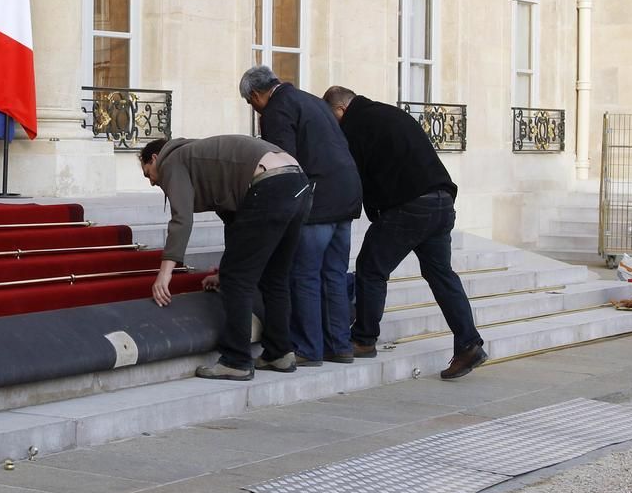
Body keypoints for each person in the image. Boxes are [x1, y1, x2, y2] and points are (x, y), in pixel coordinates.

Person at [322, 86, 486, 380]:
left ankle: (363, 339)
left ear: (340, 110)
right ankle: (469, 343)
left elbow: (353, 177)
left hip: (409, 206)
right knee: (441, 275)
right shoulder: (388, 112)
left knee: (371, 268)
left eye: (331, 118)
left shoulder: (356, 126)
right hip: (441, 201)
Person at [140, 135, 312, 381]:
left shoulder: (172, 161)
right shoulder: (202, 158)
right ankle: (279, 353)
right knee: (275, 276)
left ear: (155, 158)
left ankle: (236, 360)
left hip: (269, 187)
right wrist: (223, 271)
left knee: (237, 280)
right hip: (297, 183)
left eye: (149, 174)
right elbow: (235, 222)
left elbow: (181, 220)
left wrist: (164, 274)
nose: (152, 183)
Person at [240, 66, 362, 366]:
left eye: (250, 103)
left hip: (318, 199)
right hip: (346, 194)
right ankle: (339, 345)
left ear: (256, 94)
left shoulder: (277, 110)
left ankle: (307, 347)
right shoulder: (311, 100)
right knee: (334, 273)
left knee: (303, 274)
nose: (253, 110)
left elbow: (283, 165)